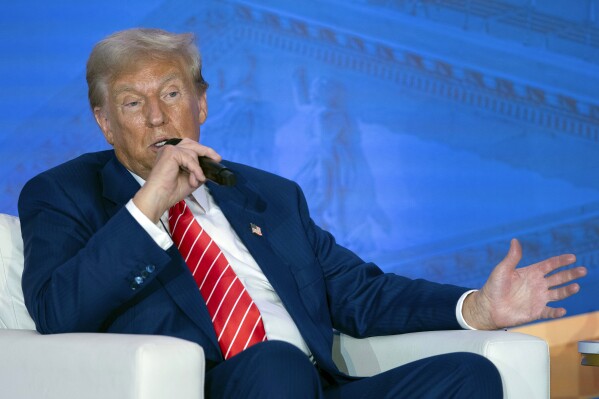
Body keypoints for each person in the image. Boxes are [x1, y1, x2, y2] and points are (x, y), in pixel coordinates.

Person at [18, 28, 586, 398]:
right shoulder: (62, 193)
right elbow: (57, 312)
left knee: (470, 375)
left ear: (203, 104)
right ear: (104, 122)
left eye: (171, 95)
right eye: (132, 104)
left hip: (313, 388)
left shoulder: (265, 194)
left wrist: (477, 307)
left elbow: (360, 293)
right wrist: (148, 207)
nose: (158, 120)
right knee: (278, 365)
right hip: (209, 387)